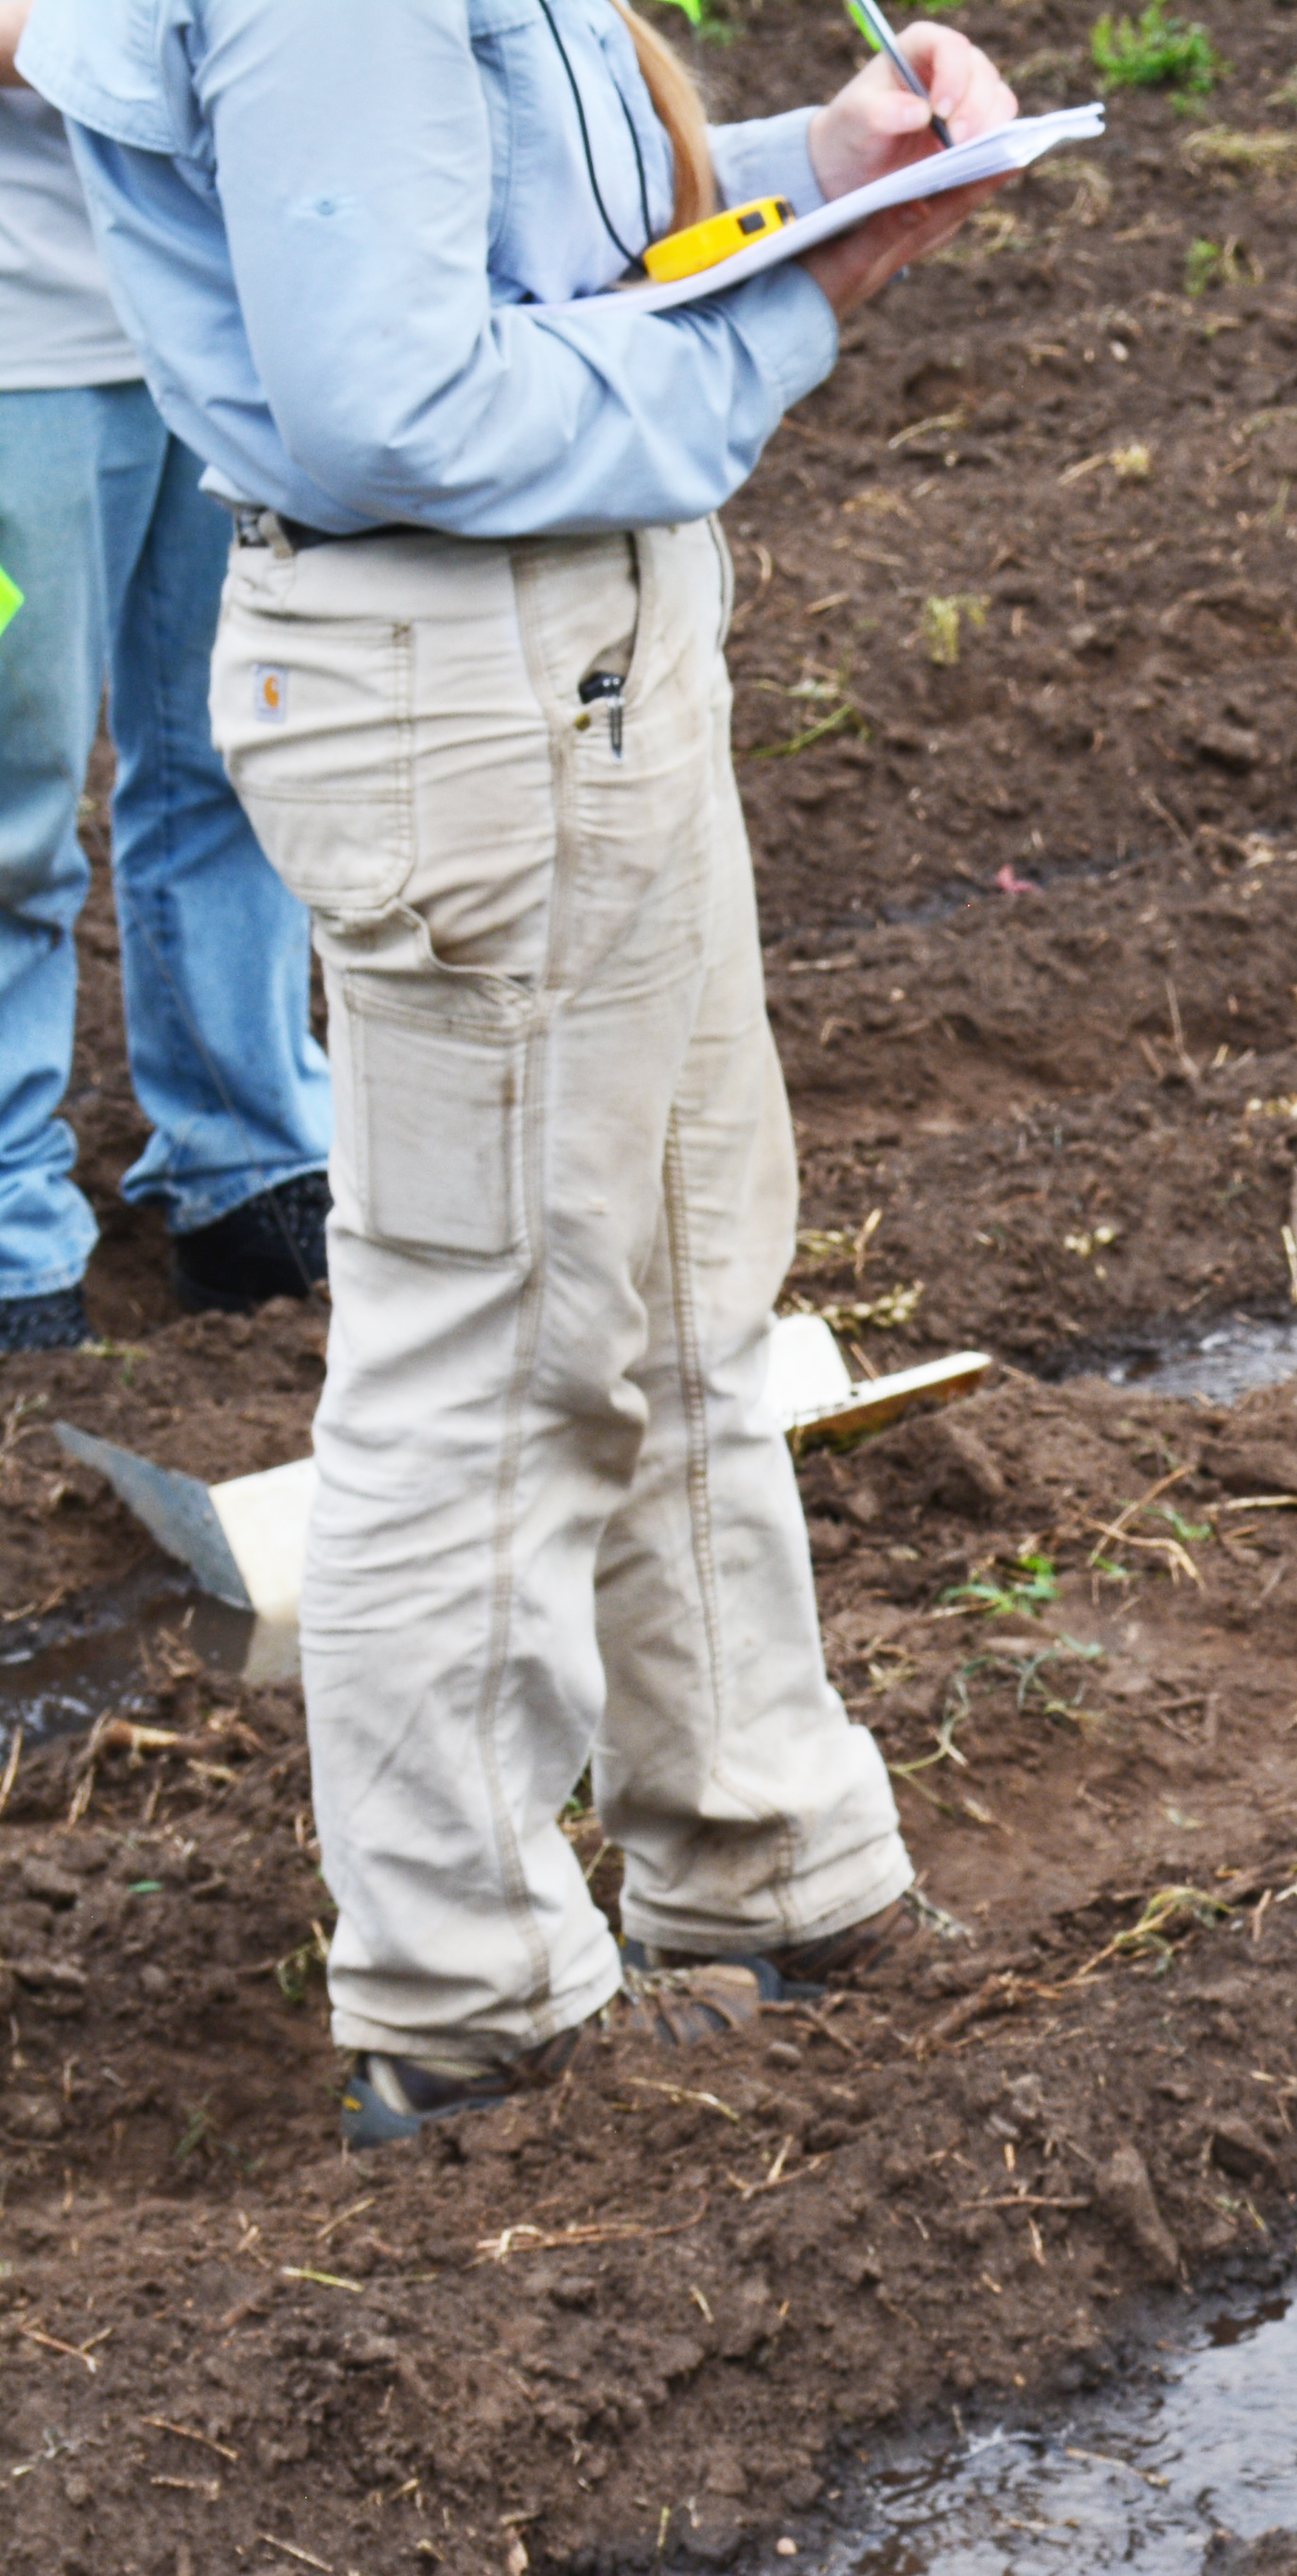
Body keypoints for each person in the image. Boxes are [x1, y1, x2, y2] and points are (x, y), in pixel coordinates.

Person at [20, 0, 1021, 2142]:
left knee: (674, 1285)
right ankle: (466, 2006)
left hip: (583, 630)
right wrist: (785, 321)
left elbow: (512, 240)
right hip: (468, 664)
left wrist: (808, 170)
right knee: (488, 1356)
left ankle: (761, 1852)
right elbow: (393, 404)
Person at [0, 0, 326, 1354]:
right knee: (10, 807)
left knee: (237, 761)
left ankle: (246, 1163)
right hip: (18, 356)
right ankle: (12, 1223)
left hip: (224, 326)